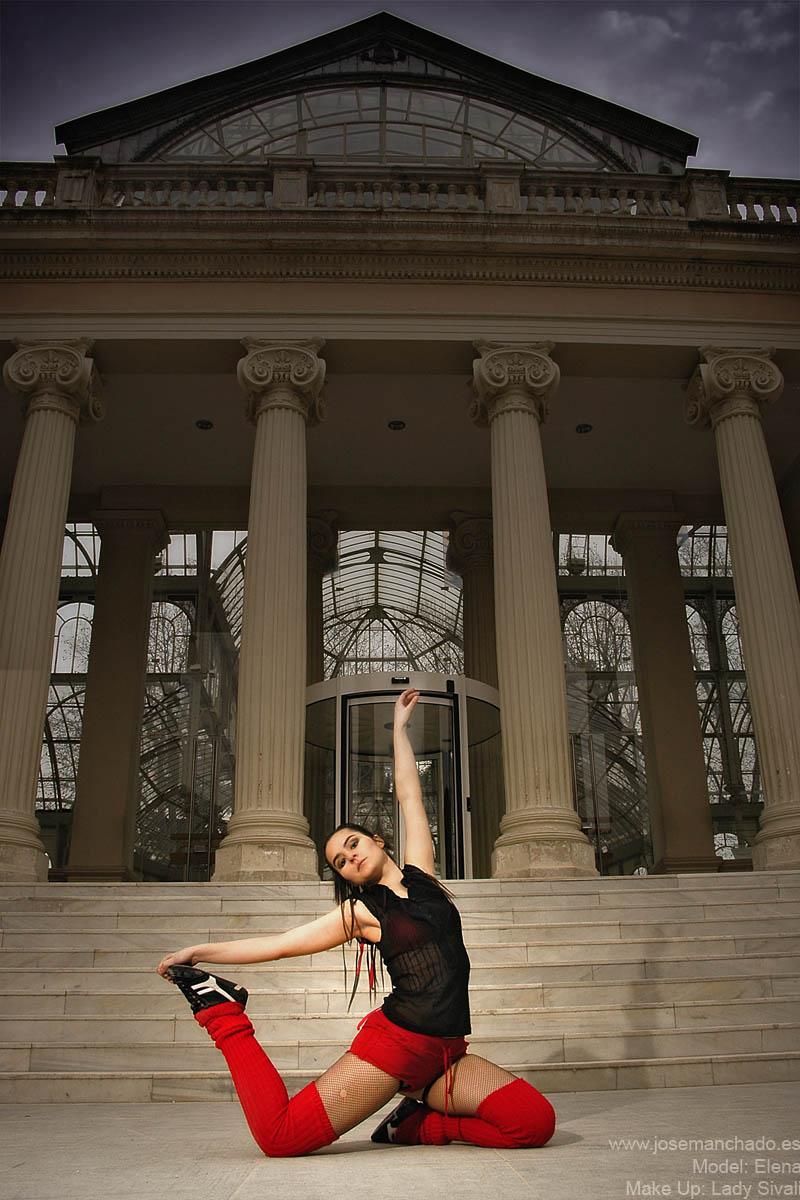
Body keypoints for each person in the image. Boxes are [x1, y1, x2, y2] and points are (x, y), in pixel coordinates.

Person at [157, 687, 556, 1157]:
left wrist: (400, 731)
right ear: (345, 877)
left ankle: (417, 1126)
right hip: (397, 1047)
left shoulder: (424, 878)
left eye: (352, 844)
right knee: (280, 1137)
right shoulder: (363, 912)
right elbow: (283, 943)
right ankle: (221, 1011)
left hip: (447, 1054)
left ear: (378, 839)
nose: (349, 856)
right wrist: (197, 953)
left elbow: (410, 798)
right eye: (340, 862)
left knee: (535, 1125)